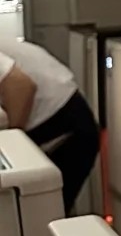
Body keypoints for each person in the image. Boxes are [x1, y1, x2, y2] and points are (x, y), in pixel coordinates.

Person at [0, 37, 100, 214]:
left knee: (42, 216)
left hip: (65, 123)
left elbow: (21, 85)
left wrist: (13, 145)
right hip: (58, 115)